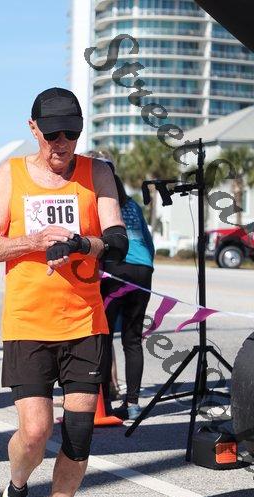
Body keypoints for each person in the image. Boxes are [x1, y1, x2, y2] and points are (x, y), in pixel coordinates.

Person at [0, 87, 128, 497]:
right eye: (53, 134)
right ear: (33, 128)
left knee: (79, 435)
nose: (62, 143)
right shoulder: (13, 173)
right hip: (28, 321)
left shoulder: (96, 172)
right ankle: (16, 495)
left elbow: (117, 241)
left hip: (85, 320)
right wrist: (36, 240)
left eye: (72, 134)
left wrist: (82, 243)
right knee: (36, 431)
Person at [100, 166, 154, 420]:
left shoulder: (102, 202)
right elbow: (148, 241)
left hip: (116, 269)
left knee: (104, 336)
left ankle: (104, 403)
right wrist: (146, 266)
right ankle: (132, 403)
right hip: (143, 269)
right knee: (132, 340)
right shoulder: (133, 205)